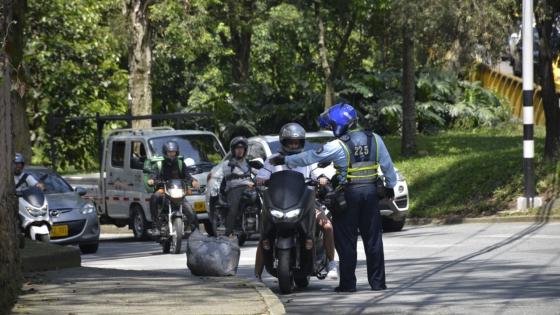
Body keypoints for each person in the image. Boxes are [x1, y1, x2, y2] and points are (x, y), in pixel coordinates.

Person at [270, 103, 397, 292]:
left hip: (348, 196)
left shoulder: (338, 145)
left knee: (346, 241)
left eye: (330, 125)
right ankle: (378, 283)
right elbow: (387, 166)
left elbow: (310, 157)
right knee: (373, 240)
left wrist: (286, 160)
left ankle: (348, 284)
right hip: (371, 195)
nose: (330, 128)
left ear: (339, 125)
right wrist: (390, 186)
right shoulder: (375, 139)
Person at [254, 123, 339, 281]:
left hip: (306, 204)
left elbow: (318, 173)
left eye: (297, 142)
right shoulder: (272, 160)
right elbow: (263, 174)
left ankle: (332, 263)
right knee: (264, 233)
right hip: (277, 204)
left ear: (301, 143)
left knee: (327, 226)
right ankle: (257, 275)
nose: (293, 145)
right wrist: (259, 179)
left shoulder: (307, 159)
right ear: (283, 142)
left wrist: (322, 179)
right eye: (290, 142)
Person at [145, 141, 200, 235]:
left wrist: (193, 181)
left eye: (173, 152)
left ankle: (196, 233)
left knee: (190, 211)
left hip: (178, 191)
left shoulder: (180, 163)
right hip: (164, 190)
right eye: (169, 152)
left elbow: (187, 176)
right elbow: (154, 175)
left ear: (176, 152)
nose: (171, 154)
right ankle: (155, 226)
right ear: (165, 153)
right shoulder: (160, 164)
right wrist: (152, 180)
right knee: (154, 197)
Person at [221, 136, 254, 239]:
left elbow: (256, 172)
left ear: (245, 150)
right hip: (234, 188)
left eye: (242, 148)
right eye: (237, 148)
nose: (240, 151)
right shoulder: (228, 163)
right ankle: (228, 232)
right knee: (233, 209)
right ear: (233, 150)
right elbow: (227, 173)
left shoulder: (247, 162)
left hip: (249, 187)